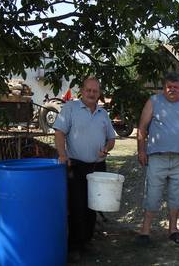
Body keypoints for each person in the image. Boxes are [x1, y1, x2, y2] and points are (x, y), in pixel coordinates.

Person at [136, 72, 179, 245]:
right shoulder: (153, 101)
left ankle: (173, 230)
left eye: (176, 87)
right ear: (164, 87)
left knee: (177, 195)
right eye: (169, 87)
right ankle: (145, 231)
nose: (172, 90)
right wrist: (141, 151)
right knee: (152, 193)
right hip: (157, 157)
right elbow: (142, 128)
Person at [54, 77, 116, 262]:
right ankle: (74, 246)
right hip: (77, 166)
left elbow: (111, 138)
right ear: (82, 90)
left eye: (95, 91)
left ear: (99, 93)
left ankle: (87, 241)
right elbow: (59, 132)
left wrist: (107, 148)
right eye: (88, 90)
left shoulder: (103, 113)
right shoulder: (70, 108)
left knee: (93, 206)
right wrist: (62, 154)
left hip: (98, 167)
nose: (91, 94)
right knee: (77, 207)